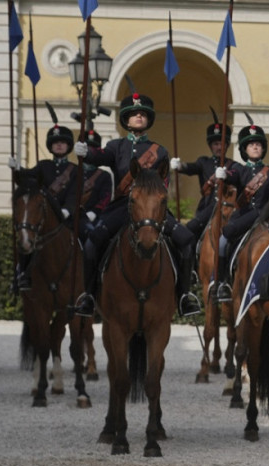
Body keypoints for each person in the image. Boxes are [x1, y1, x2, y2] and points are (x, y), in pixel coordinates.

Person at [73, 91, 202, 318]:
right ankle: (90, 295)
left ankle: (184, 295)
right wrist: (85, 152)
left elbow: (162, 185)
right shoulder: (116, 146)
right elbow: (99, 156)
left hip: (152, 208)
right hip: (122, 207)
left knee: (186, 239)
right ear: (126, 119)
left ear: (148, 119)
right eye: (134, 114)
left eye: (143, 114)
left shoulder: (159, 151)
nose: (139, 117)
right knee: (93, 241)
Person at [8, 105, 80, 292]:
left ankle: (85, 279)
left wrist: (68, 209)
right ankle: (21, 274)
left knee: (84, 239)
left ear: (68, 146)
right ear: (50, 146)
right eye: (55, 143)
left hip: (65, 215)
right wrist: (17, 169)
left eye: (62, 142)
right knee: (27, 238)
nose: (59, 145)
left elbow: (74, 193)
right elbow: (26, 178)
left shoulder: (74, 170)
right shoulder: (43, 165)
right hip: (45, 214)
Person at [213, 116, 269, 302]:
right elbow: (232, 176)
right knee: (223, 239)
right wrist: (224, 174)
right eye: (251, 145)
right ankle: (222, 282)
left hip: (264, 217)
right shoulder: (239, 169)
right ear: (244, 149)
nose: (255, 147)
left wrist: (268, 218)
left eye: (258, 144)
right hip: (242, 217)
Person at [171, 109, 239, 242]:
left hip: (225, 209)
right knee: (189, 231)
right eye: (216, 144)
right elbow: (190, 168)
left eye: (222, 144)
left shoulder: (234, 165)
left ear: (227, 146)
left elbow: (237, 176)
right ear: (210, 146)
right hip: (206, 209)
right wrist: (179, 166)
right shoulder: (203, 162)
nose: (219, 147)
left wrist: (226, 174)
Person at [78, 127, 113, 243]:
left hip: (93, 218)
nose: (89, 151)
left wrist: (94, 212)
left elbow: (105, 199)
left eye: (93, 148)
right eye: (86, 148)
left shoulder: (104, 176)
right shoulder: (73, 171)